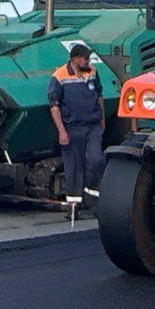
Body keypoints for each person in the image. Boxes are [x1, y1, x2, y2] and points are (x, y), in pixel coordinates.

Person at [49, 44, 106, 204]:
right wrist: (62, 131)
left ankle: (92, 199)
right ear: (75, 59)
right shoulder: (59, 76)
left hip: (92, 126)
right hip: (72, 128)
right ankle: (74, 206)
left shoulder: (93, 72)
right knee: (74, 168)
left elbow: (99, 96)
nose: (88, 61)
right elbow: (54, 107)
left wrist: (102, 120)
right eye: (85, 58)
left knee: (96, 160)